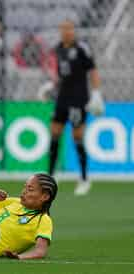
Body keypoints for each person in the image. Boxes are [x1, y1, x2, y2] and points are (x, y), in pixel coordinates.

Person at [38, 20, 104, 196]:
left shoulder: (82, 48)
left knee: (77, 137)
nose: (67, 32)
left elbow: (93, 71)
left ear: (74, 31)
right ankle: (51, 175)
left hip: (78, 99)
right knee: (54, 133)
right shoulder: (57, 49)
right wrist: (50, 87)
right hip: (62, 98)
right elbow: (60, 75)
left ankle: (84, 178)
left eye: (70, 29)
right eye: (64, 29)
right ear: (60, 31)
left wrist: (96, 94)